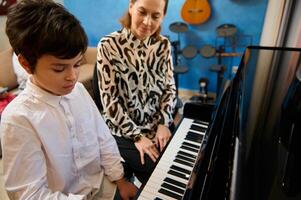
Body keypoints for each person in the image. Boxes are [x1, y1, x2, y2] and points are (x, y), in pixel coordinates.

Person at [0, 0, 137, 199]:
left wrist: (120, 180)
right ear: (26, 64)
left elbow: (103, 139)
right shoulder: (19, 118)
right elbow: (29, 194)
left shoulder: (79, 91)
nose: (72, 76)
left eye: (77, 64)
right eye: (59, 68)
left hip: (101, 184)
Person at [96, 0, 176, 185]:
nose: (148, 22)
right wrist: (137, 137)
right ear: (131, 7)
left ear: (163, 16)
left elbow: (169, 88)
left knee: (180, 163)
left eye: (155, 16)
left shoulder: (163, 45)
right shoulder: (108, 45)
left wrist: (164, 123)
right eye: (142, 12)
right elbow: (110, 102)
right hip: (123, 129)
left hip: (156, 126)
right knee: (161, 173)